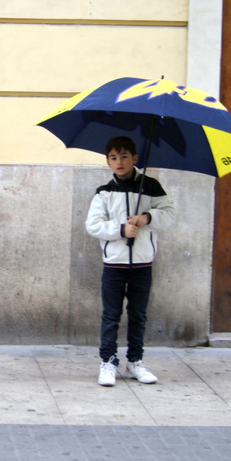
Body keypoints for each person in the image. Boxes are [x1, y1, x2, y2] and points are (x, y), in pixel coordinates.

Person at [85, 135, 176, 387]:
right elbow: (93, 225)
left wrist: (147, 216)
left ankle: (135, 361)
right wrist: (121, 230)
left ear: (135, 159)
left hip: (142, 265)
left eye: (124, 156)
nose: (119, 162)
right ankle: (108, 361)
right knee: (111, 316)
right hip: (114, 265)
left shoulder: (151, 187)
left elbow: (169, 214)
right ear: (108, 162)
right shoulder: (104, 193)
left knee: (138, 316)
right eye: (114, 158)